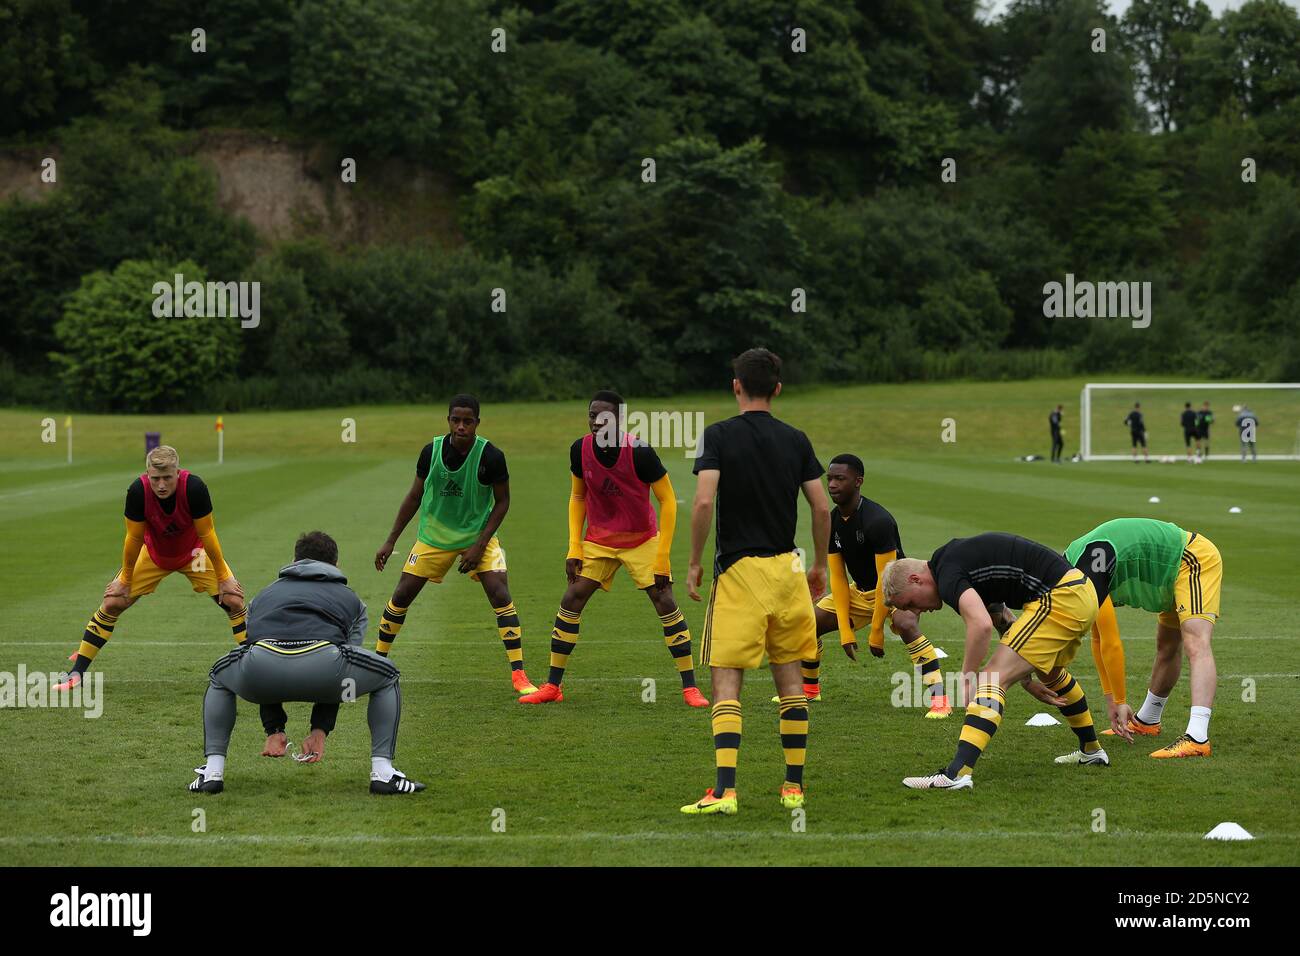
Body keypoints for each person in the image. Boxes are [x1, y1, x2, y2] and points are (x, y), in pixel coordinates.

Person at [680, 348, 829, 815]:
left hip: (740, 573)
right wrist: (820, 564)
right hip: (787, 570)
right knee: (791, 684)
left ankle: (725, 791)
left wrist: (693, 562)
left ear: (736, 386)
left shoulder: (719, 435)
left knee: (727, 684)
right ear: (778, 389)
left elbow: (704, 503)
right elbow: (822, 507)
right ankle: (793, 789)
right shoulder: (796, 439)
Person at [191, 531, 424, 795]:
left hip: (261, 672)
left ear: (294, 561)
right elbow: (346, 674)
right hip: (325, 668)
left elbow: (259, 650)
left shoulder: (263, 596)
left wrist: (274, 727)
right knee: (388, 674)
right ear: (336, 566)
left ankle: (212, 773)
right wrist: (320, 729)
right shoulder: (352, 601)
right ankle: (383, 774)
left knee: (219, 675)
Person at [519, 390, 708, 707]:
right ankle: (553, 686)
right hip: (599, 541)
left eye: (604, 416)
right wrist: (573, 548)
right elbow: (578, 497)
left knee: (664, 600)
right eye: (592, 415)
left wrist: (661, 557)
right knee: (571, 598)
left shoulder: (640, 453)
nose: (596, 421)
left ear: (620, 419)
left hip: (641, 539)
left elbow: (668, 502)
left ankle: (690, 688)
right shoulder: (579, 450)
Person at [883, 533, 1109, 791]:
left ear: (916, 580)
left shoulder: (947, 574)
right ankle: (1091, 751)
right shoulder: (954, 561)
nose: (918, 611)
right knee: (1051, 674)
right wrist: (1026, 680)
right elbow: (1000, 618)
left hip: (1063, 597)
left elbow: (980, 626)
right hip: (1080, 592)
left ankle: (957, 774)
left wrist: (967, 679)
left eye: (911, 603)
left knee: (991, 678)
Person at [373, 395, 536, 695]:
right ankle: (377, 663)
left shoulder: (491, 456)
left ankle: (520, 675)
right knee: (402, 593)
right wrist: (390, 540)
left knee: (500, 592)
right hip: (435, 536)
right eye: (455, 420)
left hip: (478, 536)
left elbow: (503, 503)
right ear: (448, 420)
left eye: (468, 421)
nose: (461, 426)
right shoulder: (430, 451)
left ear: (477, 423)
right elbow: (414, 496)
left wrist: (479, 545)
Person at [55, 445, 245, 692]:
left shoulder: (194, 488)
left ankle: (257, 668)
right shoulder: (137, 491)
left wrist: (223, 578)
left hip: (194, 554)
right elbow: (134, 538)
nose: (162, 485)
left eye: (167, 477)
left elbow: (207, 533)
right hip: (154, 555)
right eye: (155, 478)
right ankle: (77, 673)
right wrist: (124, 579)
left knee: (233, 600)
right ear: (148, 475)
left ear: (178, 472)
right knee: (113, 602)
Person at [791, 453, 949, 717]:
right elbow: (839, 580)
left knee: (906, 624)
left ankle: (940, 701)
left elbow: (885, 582)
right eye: (829, 478)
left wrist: (876, 631)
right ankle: (809, 691)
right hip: (860, 590)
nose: (832, 485)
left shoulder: (878, 521)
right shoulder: (830, 522)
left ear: (858, 481)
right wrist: (845, 631)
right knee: (807, 622)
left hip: (896, 591)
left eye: (840, 479)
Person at [1066, 518, 1223, 759]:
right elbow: (1097, 639)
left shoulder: (1084, 572)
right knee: (1167, 645)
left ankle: (1197, 737)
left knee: (1196, 643)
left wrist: (1119, 700)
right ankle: (1148, 721)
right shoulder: (1074, 567)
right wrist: (1112, 700)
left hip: (1191, 558)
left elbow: (1111, 640)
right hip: (1169, 570)